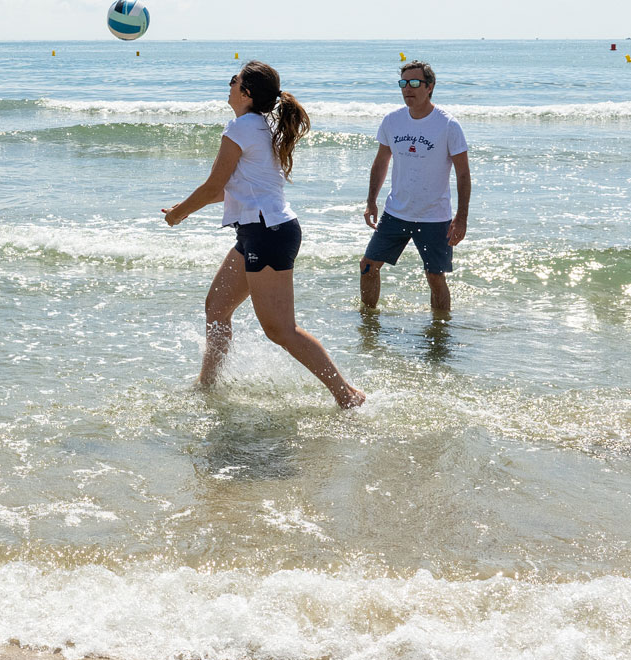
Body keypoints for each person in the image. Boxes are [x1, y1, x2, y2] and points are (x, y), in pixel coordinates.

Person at [163, 61, 364, 409]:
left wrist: (178, 215)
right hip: (260, 231)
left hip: (268, 233)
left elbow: (214, 186)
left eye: (234, 81)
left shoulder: (242, 129)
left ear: (246, 93)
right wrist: (183, 208)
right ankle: (207, 385)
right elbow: (223, 191)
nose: (228, 85)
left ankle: (346, 394)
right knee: (217, 308)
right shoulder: (253, 126)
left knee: (280, 330)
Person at [361, 60, 471, 316]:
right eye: (403, 83)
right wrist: (371, 201)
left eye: (414, 83)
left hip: (435, 216)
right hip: (396, 212)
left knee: (435, 277)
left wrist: (462, 217)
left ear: (430, 86)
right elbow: (380, 162)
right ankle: (367, 324)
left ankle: (440, 330)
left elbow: (463, 174)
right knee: (367, 266)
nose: (407, 89)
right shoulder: (392, 121)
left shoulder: (448, 125)